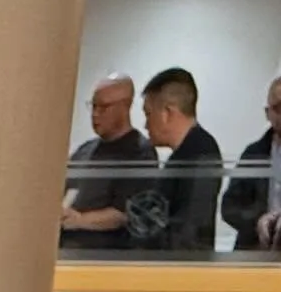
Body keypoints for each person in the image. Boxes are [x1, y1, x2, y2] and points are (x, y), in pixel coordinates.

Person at [61, 75, 157, 252]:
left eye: (104, 107)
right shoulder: (84, 150)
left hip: (103, 256)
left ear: (125, 106)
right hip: (65, 250)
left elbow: (124, 213)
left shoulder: (140, 152)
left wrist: (79, 220)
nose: (96, 114)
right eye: (93, 106)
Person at [136, 68, 223, 253]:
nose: (145, 125)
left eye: (148, 114)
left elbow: (190, 229)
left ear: (167, 113)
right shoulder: (184, 155)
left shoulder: (202, 154)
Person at [221, 72, 281, 251]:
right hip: (257, 249)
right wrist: (258, 220)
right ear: (268, 113)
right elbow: (229, 207)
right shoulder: (254, 153)